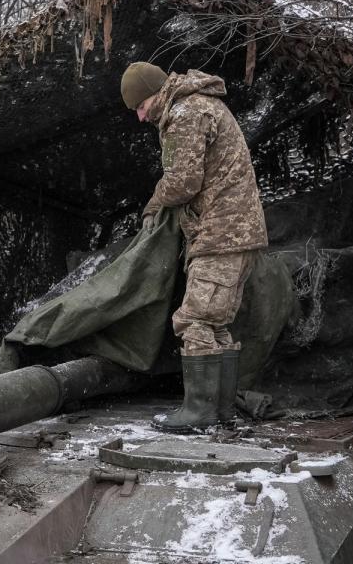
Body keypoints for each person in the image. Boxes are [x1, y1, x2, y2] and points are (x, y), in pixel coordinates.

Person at [120, 61, 268, 432]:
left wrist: (155, 201)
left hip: (221, 233)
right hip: (235, 232)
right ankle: (219, 412)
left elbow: (184, 181)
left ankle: (199, 413)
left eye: (139, 107)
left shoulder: (185, 112)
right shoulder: (202, 105)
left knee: (196, 319)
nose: (140, 118)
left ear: (152, 94)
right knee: (216, 323)